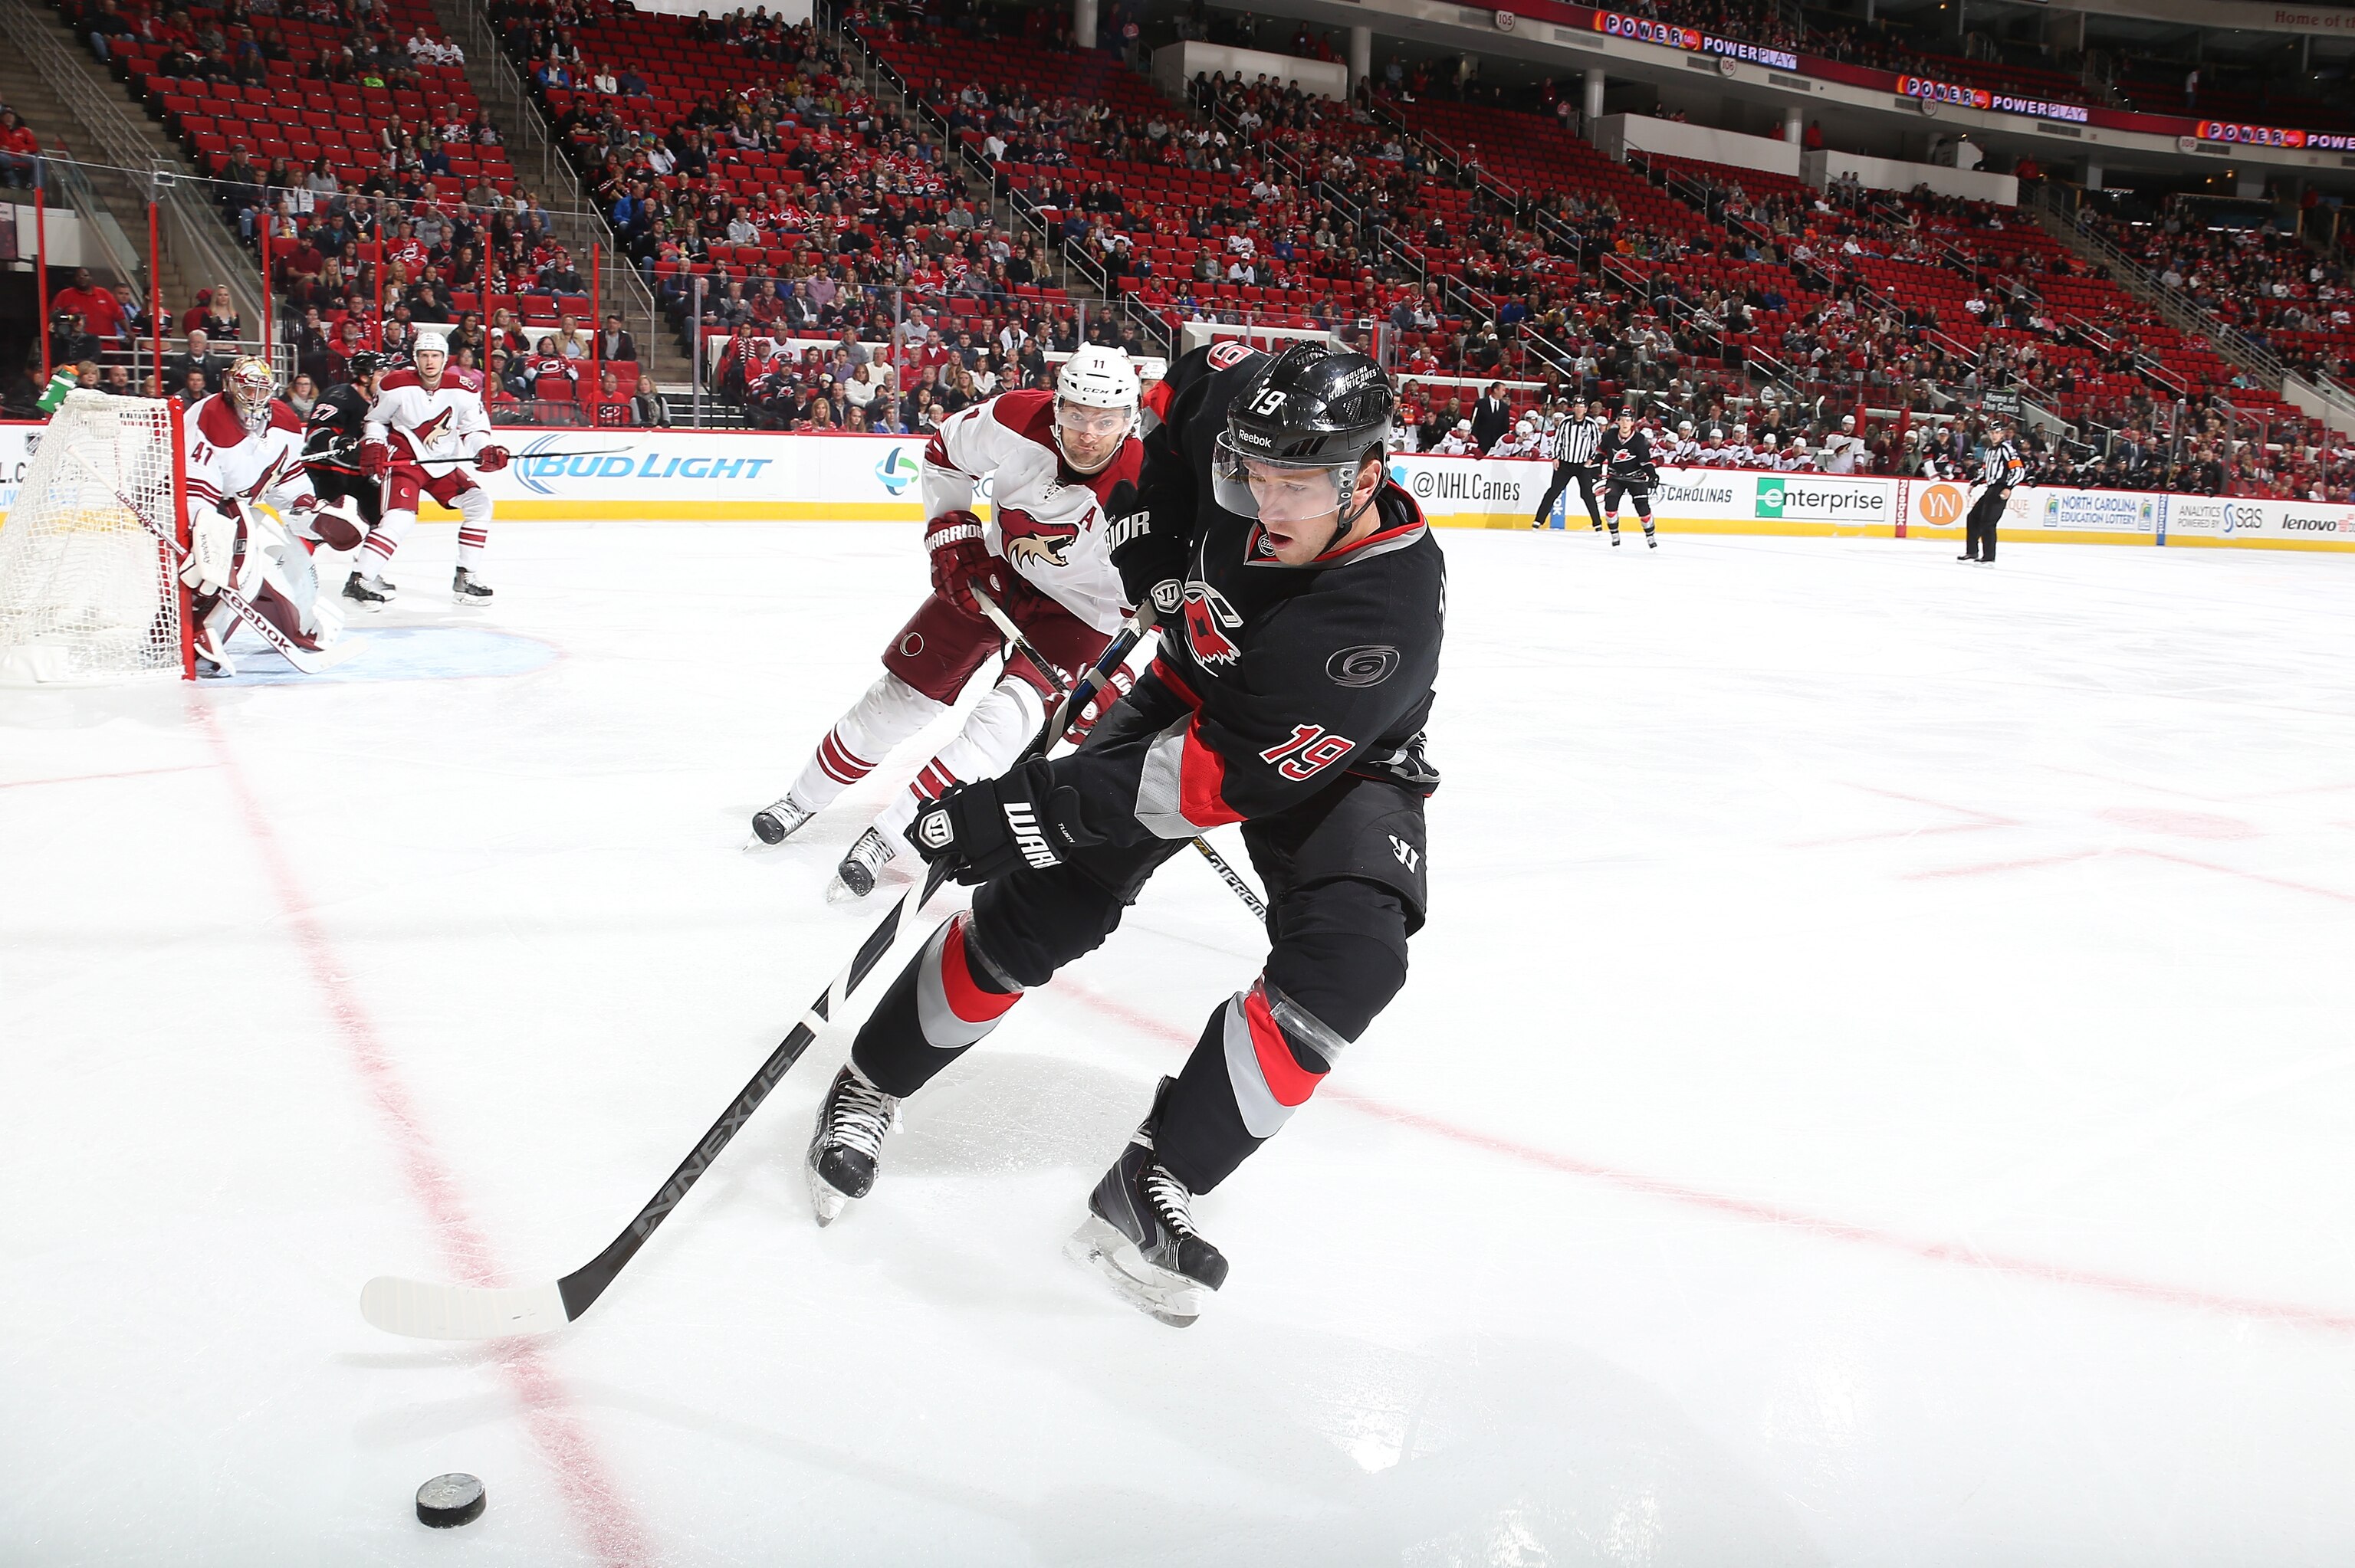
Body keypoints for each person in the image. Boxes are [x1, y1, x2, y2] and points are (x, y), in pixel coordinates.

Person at [803, 339, 1444, 1328]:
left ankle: (1157, 1174)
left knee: (1351, 962)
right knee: (1041, 912)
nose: (1269, 509)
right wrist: (1152, 553)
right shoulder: (1243, 403)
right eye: (1256, 476)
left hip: (1332, 761)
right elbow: (1185, 392)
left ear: (1369, 474)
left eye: (1299, 486)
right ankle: (871, 1081)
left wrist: (1019, 808)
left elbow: (1212, 779)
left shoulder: (1383, 610)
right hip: (1188, 688)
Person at [749, 346, 1146, 900]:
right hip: (1000, 572)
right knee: (899, 696)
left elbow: (1164, 591)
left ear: (1132, 417)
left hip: (1085, 615)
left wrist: (1115, 671)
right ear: (1057, 405)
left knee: (1002, 726)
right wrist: (952, 526)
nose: (1087, 433)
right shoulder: (1015, 418)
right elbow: (944, 453)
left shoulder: (1150, 483)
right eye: (1076, 413)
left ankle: (892, 836)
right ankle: (802, 798)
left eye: (1105, 420)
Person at [179, 356, 361, 674]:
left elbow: (286, 477)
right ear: (230, 385)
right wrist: (205, 541)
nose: (253, 398)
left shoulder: (284, 420)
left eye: (261, 390)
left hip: (240, 506)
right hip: (198, 506)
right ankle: (200, 630)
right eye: (247, 389)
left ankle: (300, 623)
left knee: (293, 562)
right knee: (241, 567)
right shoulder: (209, 418)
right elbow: (198, 497)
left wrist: (307, 506)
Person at [354, 330, 509, 605]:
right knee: (400, 519)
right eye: (424, 355)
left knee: (480, 504)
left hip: (442, 463)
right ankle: (360, 580)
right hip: (405, 459)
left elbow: (474, 429)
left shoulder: (464, 388)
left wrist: (484, 450)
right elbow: (376, 420)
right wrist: (374, 444)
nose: (430, 362)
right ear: (415, 358)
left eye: (435, 356)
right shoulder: (394, 384)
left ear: (444, 359)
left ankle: (466, 577)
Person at [301, 350, 389, 605]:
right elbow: (317, 433)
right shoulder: (339, 396)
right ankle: (289, 564)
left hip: (356, 473)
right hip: (327, 470)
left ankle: (362, 576)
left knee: (383, 519)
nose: (386, 379)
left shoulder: (382, 403)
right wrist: (338, 440)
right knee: (326, 526)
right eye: (381, 374)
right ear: (364, 376)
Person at [1531, 393, 1603, 531]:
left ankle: (1597, 523)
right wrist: (1555, 457)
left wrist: (1591, 459)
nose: (1579, 409)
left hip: (1583, 465)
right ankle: (1538, 520)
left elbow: (1596, 444)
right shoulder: (1565, 422)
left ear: (1586, 409)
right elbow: (1558, 441)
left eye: (1582, 407)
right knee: (1553, 491)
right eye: (1577, 406)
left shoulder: (1591, 425)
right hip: (1565, 464)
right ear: (1574, 408)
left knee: (1587, 494)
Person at [1597, 407, 1659, 547]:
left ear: (1633, 423)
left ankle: (1650, 536)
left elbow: (1645, 461)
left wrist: (1652, 475)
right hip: (1615, 477)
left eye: (1628, 420)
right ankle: (1615, 535)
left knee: (1642, 507)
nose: (1625, 423)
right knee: (1610, 506)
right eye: (1622, 420)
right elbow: (1601, 452)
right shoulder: (1609, 435)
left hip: (1636, 477)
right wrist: (1596, 467)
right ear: (1618, 421)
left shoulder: (1639, 439)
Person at [1962, 418, 2022, 566]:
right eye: (1992, 432)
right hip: (1990, 488)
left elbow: (2019, 470)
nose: (1994, 435)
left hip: (2000, 488)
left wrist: (2009, 487)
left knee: (1988, 522)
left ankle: (1989, 557)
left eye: (1997, 433)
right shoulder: (1989, 451)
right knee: (1973, 517)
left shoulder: (2007, 449)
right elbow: (1985, 470)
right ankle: (1972, 552)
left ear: (2002, 434)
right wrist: (1974, 483)